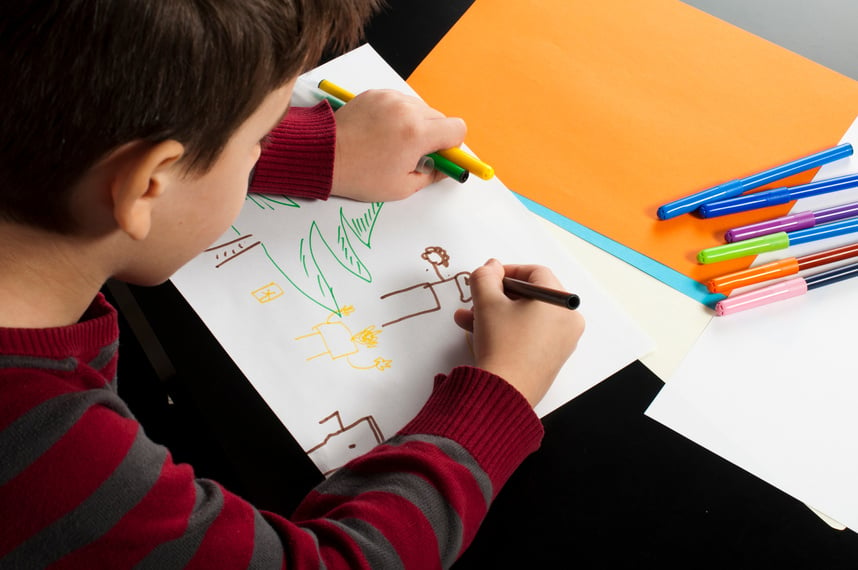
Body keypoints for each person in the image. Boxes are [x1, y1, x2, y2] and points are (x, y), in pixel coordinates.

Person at [0, 1, 585, 568]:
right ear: (147, 183)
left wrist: (318, 149)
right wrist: (502, 391)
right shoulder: (47, 456)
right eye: (259, 139)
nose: (262, 151)